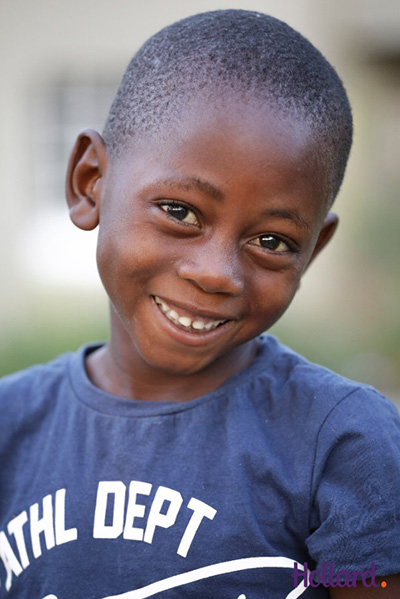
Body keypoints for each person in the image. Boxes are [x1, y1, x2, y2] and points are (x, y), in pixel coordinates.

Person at [0, 9, 399, 599]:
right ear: (90, 182)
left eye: (271, 242)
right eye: (180, 212)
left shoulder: (345, 443)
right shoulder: (11, 427)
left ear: (311, 253)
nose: (216, 275)